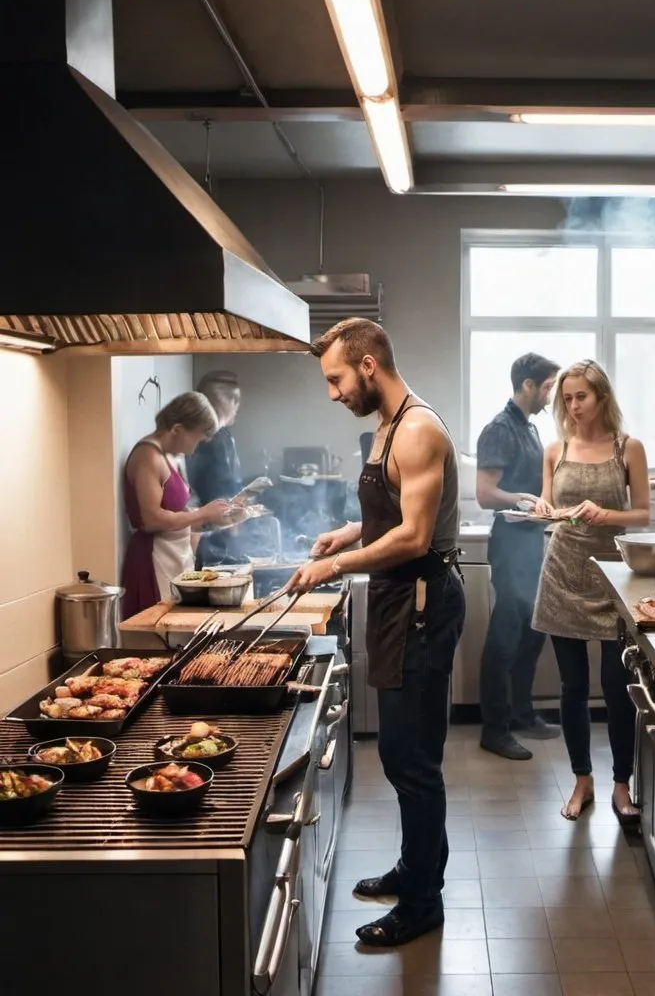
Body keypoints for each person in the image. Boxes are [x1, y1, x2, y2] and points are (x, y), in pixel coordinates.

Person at [285, 318, 465, 948]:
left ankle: (422, 903)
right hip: (397, 600)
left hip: (421, 601)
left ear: (367, 366)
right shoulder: (385, 428)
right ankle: (415, 869)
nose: (331, 392)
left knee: (412, 761)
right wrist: (348, 532)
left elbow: (415, 535)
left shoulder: (418, 430)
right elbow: (389, 514)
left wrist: (331, 565)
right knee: (402, 754)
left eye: (335, 378)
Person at [532, 359, 650, 826]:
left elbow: (642, 514)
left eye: (581, 396)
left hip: (612, 575)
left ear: (602, 397)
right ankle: (583, 780)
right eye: (567, 398)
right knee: (572, 687)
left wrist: (605, 514)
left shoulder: (628, 448)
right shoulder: (554, 449)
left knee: (617, 688)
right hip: (561, 573)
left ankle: (623, 784)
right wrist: (542, 508)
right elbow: (550, 507)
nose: (573, 405)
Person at [476, 353, 562, 761]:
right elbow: (485, 493)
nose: (552, 393)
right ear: (528, 385)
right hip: (510, 545)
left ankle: (522, 714)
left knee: (532, 634)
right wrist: (523, 499)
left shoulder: (528, 428)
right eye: (547, 385)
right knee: (505, 638)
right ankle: (494, 730)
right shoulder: (500, 429)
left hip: (531, 543)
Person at [121, 392, 232, 617]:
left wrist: (216, 517)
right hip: (153, 560)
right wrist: (202, 514)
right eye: (197, 439)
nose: (194, 449)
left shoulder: (171, 457)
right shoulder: (148, 457)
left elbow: (179, 512)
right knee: (159, 633)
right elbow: (152, 520)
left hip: (175, 558)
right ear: (177, 429)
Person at [188, 371, 243, 567]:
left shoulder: (224, 435)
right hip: (208, 539)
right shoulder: (210, 441)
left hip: (215, 533)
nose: (237, 407)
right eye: (234, 400)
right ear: (221, 402)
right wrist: (232, 528)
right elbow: (216, 490)